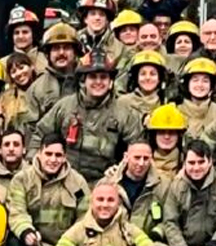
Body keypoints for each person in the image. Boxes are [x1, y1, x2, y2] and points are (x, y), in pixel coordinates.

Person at [30, 51, 143, 182]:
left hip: (106, 182)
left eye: (103, 77)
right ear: (83, 80)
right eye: (93, 77)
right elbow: (39, 134)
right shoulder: (65, 106)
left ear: (111, 81)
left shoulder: (124, 113)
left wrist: (121, 169)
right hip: (62, 179)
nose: (98, 82)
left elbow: (138, 149)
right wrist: (36, 166)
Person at [7, 134, 89, 246]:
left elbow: (84, 219)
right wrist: (25, 231)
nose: (53, 159)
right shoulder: (22, 179)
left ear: (65, 157)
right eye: (49, 154)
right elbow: (17, 211)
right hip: (33, 244)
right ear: (39, 154)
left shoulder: (77, 183)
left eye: (58, 155)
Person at [98, 142, 169, 245]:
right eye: (137, 157)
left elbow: (171, 219)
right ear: (126, 157)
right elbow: (91, 216)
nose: (141, 163)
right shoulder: (108, 183)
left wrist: (156, 234)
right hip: (112, 243)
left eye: (146, 158)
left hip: (150, 243)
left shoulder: (163, 185)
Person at [26, 23, 81, 122]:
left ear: (75, 52)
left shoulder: (88, 81)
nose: (61, 53)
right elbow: (30, 127)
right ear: (48, 54)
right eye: (56, 48)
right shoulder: (36, 89)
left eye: (67, 48)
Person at [177, 58, 216, 141]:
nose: (200, 85)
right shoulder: (176, 111)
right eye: (195, 80)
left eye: (205, 81)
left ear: (212, 85)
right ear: (187, 84)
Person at [75, 0, 127, 66]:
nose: (97, 18)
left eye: (102, 14)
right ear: (85, 19)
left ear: (107, 20)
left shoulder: (119, 48)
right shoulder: (74, 41)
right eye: (93, 14)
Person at [117, 51, 168, 118]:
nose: (147, 78)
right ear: (136, 78)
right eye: (143, 74)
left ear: (159, 79)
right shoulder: (123, 102)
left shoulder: (166, 103)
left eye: (152, 74)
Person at [148, 104, 189, 180]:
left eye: (172, 132)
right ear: (154, 135)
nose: (167, 137)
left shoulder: (189, 163)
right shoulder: (142, 161)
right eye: (162, 132)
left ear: (179, 135)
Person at [1, 6, 46, 75]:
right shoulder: (2, 64)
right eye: (16, 33)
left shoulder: (46, 60)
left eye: (25, 32)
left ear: (33, 34)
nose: (20, 36)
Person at [0, 53, 35, 133]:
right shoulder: (7, 96)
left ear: (32, 66)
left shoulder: (43, 88)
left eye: (21, 68)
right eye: (13, 71)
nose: (18, 73)